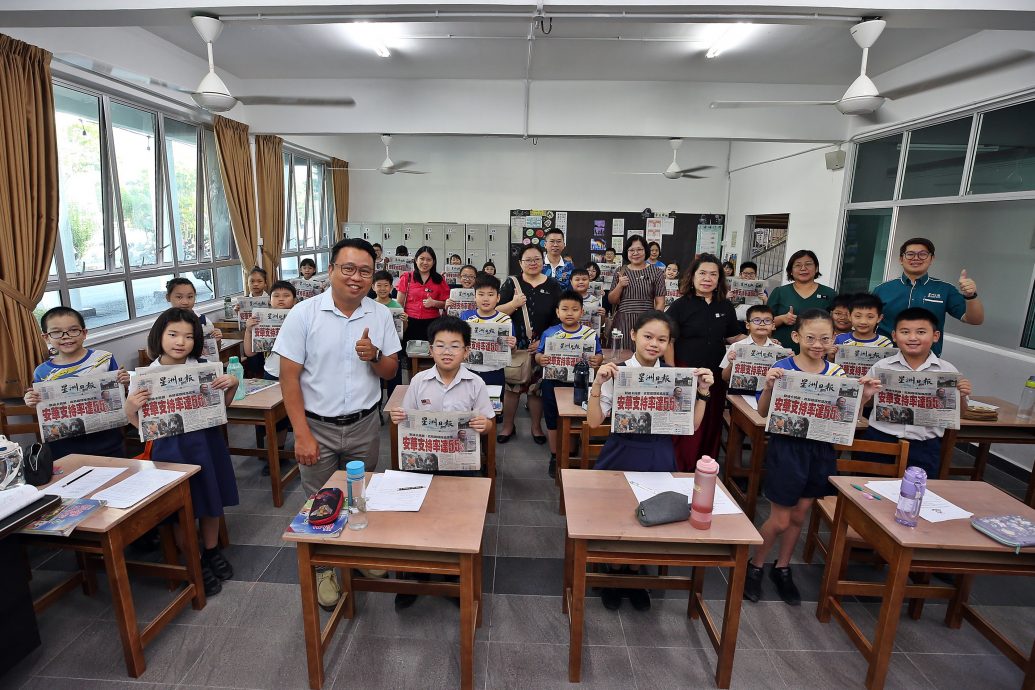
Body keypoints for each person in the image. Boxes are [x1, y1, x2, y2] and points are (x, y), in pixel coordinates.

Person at [274, 238, 401, 610]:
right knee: (320, 498)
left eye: (364, 271)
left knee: (360, 494)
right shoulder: (304, 314)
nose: (356, 277)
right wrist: (301, 434)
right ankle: (326, 566)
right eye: (348, 268)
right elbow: (288, 378)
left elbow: (391, 370)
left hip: (364, 424)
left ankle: (359, 553)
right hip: (317, 426)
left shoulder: (378, 314)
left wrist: (374, 355)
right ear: (330, 271)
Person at [744, 309, 879, 606]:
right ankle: (754, 566)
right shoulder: (782, 367)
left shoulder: (837, 373)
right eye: (810, 338)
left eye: (824, 339)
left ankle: (782, 567)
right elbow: (764, 412)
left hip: (820, 450)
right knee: (779, 519)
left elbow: (849, 419)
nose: (817, 344)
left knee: (799, 516)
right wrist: (768, 386)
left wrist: (865, 398)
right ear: (796, 337)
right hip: (787, 448)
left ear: (833, 340)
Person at [587, 310, 713, 611]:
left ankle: (635, 572)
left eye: (662, 339)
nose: (654, 343)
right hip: (622, 449)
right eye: (648, 336)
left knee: (653, 513)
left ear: (669, 343)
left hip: (659, 452)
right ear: (633, 335)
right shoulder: (615, 371)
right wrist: (597, 384)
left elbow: (692, 426)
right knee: (615, 513)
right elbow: (593, 423)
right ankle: (613, 570)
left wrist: (704, 392)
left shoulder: (676, 376)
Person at [125, 308, 240, 597]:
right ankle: (195, 560)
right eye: (173, 335)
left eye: (189, 336)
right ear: (159, 336)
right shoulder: (147, 376)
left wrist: (232, 386)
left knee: (212, 499)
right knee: (181, 509)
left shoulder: (202, 366)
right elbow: (136, 422)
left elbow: (221, 409)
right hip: (169, 450)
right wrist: (132, 406)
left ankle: (211, 551)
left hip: (206, 443)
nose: (181, 342)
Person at [389, 316, 496, 609]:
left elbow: (488, 423)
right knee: (417, 517)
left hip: (461, 465)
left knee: (457, 520)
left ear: (466, 350)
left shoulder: (476, 382)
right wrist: (399, 417)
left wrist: (482, 424)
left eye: (454, 346)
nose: (447, 351)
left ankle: (454, 578)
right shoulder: (419, 381)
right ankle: (415, 576)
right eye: (440, 345)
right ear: (430, 349)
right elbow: (405, 417)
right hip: (422, 464)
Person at [859, 307, 972, 477]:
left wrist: (961, 396)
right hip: (881, 439)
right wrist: (866, 394)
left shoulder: (947, 371)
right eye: (905, 332)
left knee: (917, 495)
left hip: (925, 445)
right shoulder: (881, 367)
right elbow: (865, 405)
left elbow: (960, 414)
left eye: (921, 332)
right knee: (870, 490)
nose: (912, 338)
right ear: (895, 336)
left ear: (935, 336)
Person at [666, 253, 745, 469]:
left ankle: (705, 466)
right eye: (702, 273)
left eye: (713, 274)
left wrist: (761, 340)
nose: (707, 278)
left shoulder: (725, 306)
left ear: (719, 279)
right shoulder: (680, 305)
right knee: (687, 419)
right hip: (686, 372)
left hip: (715, 375)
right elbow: (669, 341)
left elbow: (733, 337)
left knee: (711, 419)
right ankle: (682, 466)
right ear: (692, 277)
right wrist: (673, 371)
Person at [23, 306, 130, 459]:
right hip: (64, 448)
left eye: (73, 330)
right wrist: (31, 400)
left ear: (84, 333)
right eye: (56, 332)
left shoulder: (103, 359)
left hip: (107, 441)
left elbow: (120, 395)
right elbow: (41, 406)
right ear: (46, 337)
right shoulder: (42, 372)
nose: (66, 336)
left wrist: (125, 383)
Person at [873, 237, 983, 355]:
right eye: (910, 254)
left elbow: (975, 320)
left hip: (927, 361)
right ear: (901, 259)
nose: (916, 258)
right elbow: (867, 322)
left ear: (931, 259)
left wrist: (971, 296)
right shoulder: (882, 289)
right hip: (885, 358)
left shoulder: (945, 289)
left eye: (923, 254)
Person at [497, 244, 562, 444]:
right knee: (512, 388)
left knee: (536, 389)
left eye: (537, 259)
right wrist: (514, 304)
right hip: (515, 346)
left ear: (543, 262)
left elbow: (558, 318)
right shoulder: (511, 283)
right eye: (528, 260)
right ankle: (508, 426)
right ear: (520, 263)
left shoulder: (553, 285)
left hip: (541, 348)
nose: (533, 263)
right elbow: (496, 312)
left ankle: (536, 428)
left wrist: (543, 341)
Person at [537, 290, 604, 477]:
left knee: (576, 418)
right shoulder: (550, 332)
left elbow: (599, 354)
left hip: (580, 383)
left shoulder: (589, 334)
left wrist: (597, 360)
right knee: (552, 419)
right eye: (564, 309)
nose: (569, 313)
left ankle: (571, 452)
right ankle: (555, 455)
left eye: (574, 309)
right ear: (557, 312)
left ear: (582, 312)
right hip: (552, 382)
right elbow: (538, 354)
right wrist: (540, 359)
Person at [242, 280, 298, 473]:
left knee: (304, 413)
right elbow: (249, 353)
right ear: (269, 300)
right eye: (276, 296)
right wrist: (249, 329)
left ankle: (303, 448)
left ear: (295, 299)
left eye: (286, 296)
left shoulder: (300, 317)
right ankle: (277, 454)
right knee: (277, 419)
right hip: (272, 374)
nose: (281, 300)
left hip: (300, 375)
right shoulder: (261, 320)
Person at [766, 250, 837, 354]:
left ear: (816, 268)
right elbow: (763, 322)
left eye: (808, 264)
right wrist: (782, 319)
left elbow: (838, 323)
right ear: (790, 271)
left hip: (817, 353)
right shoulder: (780, 292)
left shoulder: (829, 293)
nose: (803, 268)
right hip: (781, 351)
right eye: (798, 265)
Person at [460, 272, 516, 389]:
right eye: (481, 294)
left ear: (498, 297)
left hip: (495, 372)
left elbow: (513, 350)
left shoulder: (505, 320)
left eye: (490, 294)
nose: (485, 299)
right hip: (469, 370)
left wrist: (512, 345)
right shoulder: (466, 316)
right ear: (475, 296)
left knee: (494, 406)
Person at [607, 234, 666, 345]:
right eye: (631, 250)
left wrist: (655, 322)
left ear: (645, 251)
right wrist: (620, 285)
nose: (635, 253)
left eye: (639, 249)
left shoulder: (657, 272)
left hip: (647, 320)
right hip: (623, 321)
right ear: (627, 252)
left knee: (645, 354)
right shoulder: (621, 271)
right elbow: (612, 300)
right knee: (621, 356)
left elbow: (660, 302)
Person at [396, 246, 450, 351]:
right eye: (422, 259)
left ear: (433, 262)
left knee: (430, 354)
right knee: (409, 353)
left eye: (429, 260)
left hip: (432, 323)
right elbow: (399, 303)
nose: (425, 262)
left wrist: (434, 303)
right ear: (416, 260)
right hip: (410, 322)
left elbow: (446, 303)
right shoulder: (407, 277)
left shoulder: (439, 280)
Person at [720, 304, 780, 384]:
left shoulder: (779, 349)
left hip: (767, 394)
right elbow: (724, 377)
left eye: (767, 320)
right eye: (756, 320)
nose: (762, 324)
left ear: (773, 326)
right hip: (740, 395)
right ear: (748, 325)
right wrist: (731, 363)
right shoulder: (736, 346)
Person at [165, 277, 223, 358]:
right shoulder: (164, 322)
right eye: (179, 297)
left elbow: (215, 350)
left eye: (190, 297)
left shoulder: (203, 321)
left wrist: (217, 340)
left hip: (202, 366)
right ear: (168, 297)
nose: (185, 302)